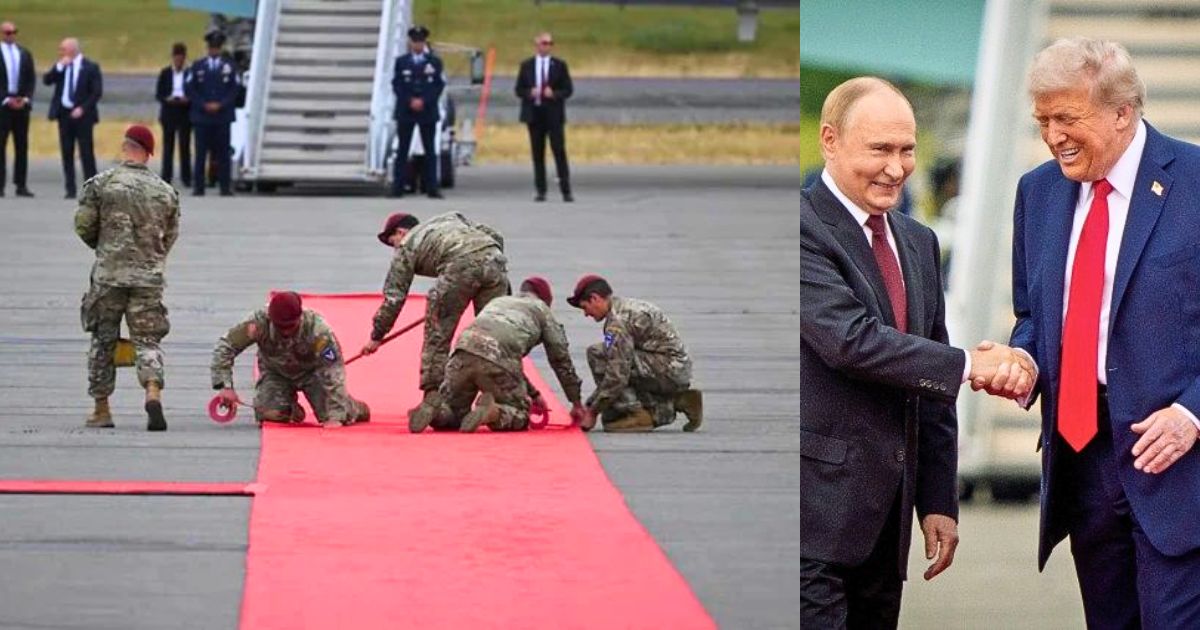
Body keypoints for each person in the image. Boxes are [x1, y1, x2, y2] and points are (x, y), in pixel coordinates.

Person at [799, 77, 1033, 629]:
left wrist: (937, 500)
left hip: (887, 525)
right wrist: (974, 366)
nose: (896, 167)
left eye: (907, 149)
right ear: (830, 141)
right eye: (879, 150)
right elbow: (851, 342)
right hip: (811, 517)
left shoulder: (916, 240)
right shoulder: (799, 229)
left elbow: (928, 385)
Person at [992, 38, 1200, 628]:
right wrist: (1022, 359)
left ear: (1121, 112)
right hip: (1083, 462)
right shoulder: (1037, 192)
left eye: (1067, 118)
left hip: (1180, 466)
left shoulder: (1195, 182)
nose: (1053, 135)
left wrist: (1192, 413)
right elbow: (1032, 315)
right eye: (1042, 120)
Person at [74, 125, 179, 431]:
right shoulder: (165, 191)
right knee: (147, 340)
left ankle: (102, 409)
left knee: (103, 340)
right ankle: (152, 391)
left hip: (109, 276)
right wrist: (149, 258)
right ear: (149, 153)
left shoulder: (101, 184)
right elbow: (169, 237)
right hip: (147, 278)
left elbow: (83, 226)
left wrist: (106, 248)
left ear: (125, 147)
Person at [361, 211, 508, 420]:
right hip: (495, 259)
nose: (393, 247)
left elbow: (394, 298)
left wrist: (376, 336)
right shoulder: (450, 219)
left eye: (391, 241)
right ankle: (502, 400)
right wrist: (491, 263)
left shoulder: (407, 245)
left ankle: (432, 398)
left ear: (401, 232)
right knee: (493, 335)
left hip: (459, 265)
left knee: (437, 334)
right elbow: (493, 233)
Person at [410, 276, 586, 433]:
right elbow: (560, 359)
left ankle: (437, 411)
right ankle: (493, 412)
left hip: (463, 351)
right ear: (546, 300)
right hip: (498, 359)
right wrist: (576, 402)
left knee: (454, 414)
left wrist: (535, 394)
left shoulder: (498, 302)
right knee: (520, 414)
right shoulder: (541, 310)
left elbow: (508, 361)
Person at [566, 274, 702, 433]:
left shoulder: (618, 323)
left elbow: (617, 374)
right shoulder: (623, 307)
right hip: (671, 366)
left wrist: (592, 411)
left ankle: (638, 414)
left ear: (595, 298)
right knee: (611, 414)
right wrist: (591, 406)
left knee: (600, 356)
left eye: (584, 307)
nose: (586, 314)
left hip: (670, 370)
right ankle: (681, 401)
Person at [211, 292, 370, 427]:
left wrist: (335, 415)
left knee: (335, 416)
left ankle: (352, 407)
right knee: (269, 414)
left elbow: (333, 369)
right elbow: (226, 346)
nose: (286, 332)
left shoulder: (318, 330)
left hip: (312, 375)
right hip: (276, 373)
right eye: (280, 327)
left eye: (290, 326)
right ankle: (289, 407)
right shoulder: (259, 323)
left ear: (300, 317)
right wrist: (225, 386)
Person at [515, 32, 574, 203]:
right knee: (537, 153)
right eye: (543, 43)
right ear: (537, 45)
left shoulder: (560, 65)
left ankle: (566, 190)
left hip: (553, 114)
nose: (546, 46)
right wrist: (529, 93)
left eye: (549, 43)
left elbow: (568, 89)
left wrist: (554, 94)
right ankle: (541, 190)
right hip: (535, 113)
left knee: (559, 151)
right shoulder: (527, 65)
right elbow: (518, 89)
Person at [43, 37, 101, 199]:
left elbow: (96, 92)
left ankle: (91, 189)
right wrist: (60, 66)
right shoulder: (61, 67)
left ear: (73, 49)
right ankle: (70, 188)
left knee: (86, 152)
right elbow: (47, 80)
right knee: (66, 152)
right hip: (64, 115)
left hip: (83, 117)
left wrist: (82, 108)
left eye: (63, 49)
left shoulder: (90, 67)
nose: (60, 52)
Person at [390, 25, 443, 199]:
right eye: (415, 41)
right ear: (410, 42)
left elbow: (437, 85)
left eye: (420, 41)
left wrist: (423, 101)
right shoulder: (402, 61)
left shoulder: (434, 62)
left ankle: (432, 187)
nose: (417, 45)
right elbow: (397, 84)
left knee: (429, 150)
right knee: (403, 150)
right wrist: (410, 100)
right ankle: (397, 186)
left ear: (424, 42)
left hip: (427, 110)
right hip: (406, 110)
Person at [186, 31, 238, 197]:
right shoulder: (198, 66)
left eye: (216, 48)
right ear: (208, 48)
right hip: (203, 117)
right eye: (211, 47)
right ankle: (199, 186)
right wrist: (203, 104)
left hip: (222, 116)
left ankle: (225, 186)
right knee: (201, 153)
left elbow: (235, 89)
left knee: (223, 153)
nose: (213, 50)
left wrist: (221, 104)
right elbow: (190, 88)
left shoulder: (229, 66)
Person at [0, 21, 35, 198]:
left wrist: (26, 98)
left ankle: (21, 184)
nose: (10, 35)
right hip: (3, 106)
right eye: (7, 32)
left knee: (22, 146)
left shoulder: (24, 53)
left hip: (21, 106)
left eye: (13, 32)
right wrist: (6, 98)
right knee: (1, 145)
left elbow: (31, 78)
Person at [155, 42, 191, 189]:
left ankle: (186, 176)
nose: (178, 61)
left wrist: (187, 99)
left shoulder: (189, 73)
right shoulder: (165, 73)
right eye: (176, 58)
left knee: (185, 146)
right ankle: (166, 176)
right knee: (168, 146)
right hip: (169, 112)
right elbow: (159, 94)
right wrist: (167, 99)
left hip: (184, 112)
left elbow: (194, 91)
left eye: (181, 59)